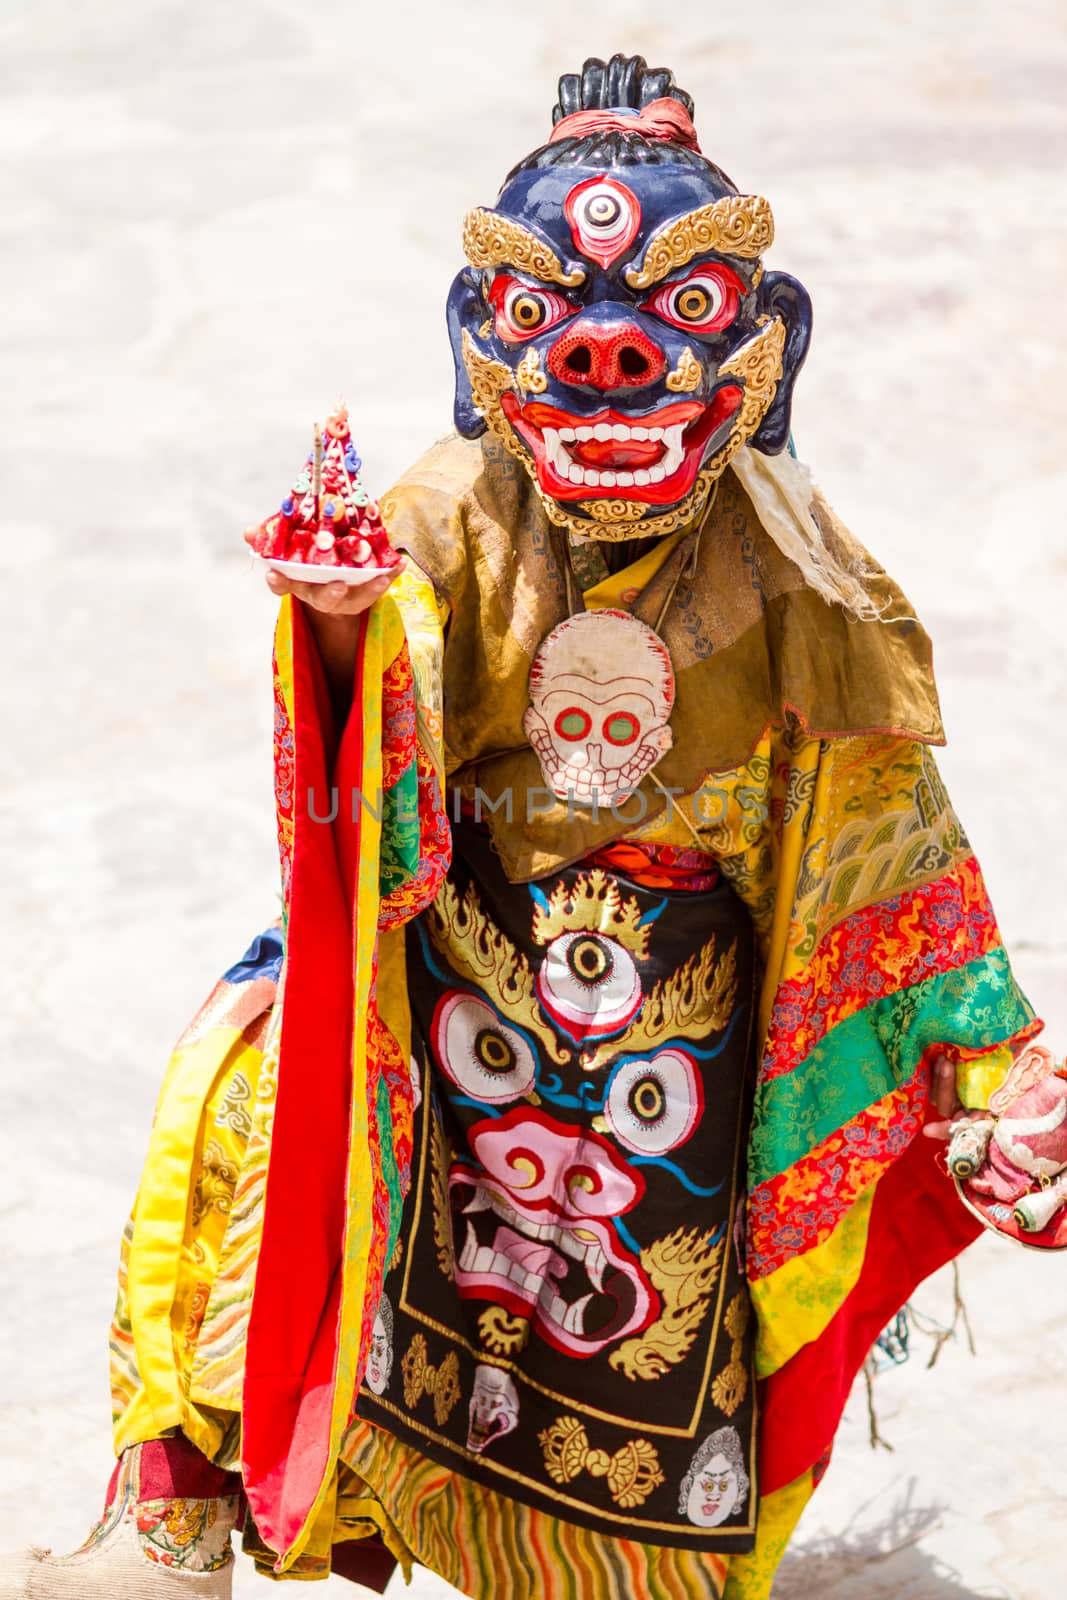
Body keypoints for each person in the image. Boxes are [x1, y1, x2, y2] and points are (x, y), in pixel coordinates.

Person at [1, 51, 1051, 1600]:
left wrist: (1000, 1061)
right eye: (552, 310)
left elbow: (896, 850)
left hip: (678, 1059)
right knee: (244, 1077)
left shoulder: (808, 586)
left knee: (654, 1372)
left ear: (775, 341)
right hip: (462, 989)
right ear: (475, 332)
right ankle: (187, 1514)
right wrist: (345, 630)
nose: (612, 359)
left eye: (678, 315)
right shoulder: (448, 514)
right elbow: (371, 780)